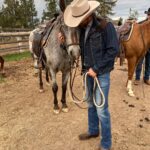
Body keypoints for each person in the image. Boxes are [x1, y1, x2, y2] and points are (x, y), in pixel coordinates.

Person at [58, 0, 118, 150]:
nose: (78, 23)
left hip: (101, 74)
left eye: (80, 19)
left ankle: (106, 144)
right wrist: (62, 43)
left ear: (88, 15)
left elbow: (113, 51)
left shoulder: (105, 27)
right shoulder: (81, 29)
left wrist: (96, 68)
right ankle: (93, 131)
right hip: (87, 72)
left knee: (102, 109)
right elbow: (73, 52)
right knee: (90, 103)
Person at [134, 8, 150, 85]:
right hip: (142, 46)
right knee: (140, 62)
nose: (149, 16)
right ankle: (137, 78)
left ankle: (146, 78)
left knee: (148, 63)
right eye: (149, 14)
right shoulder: (142, 23)